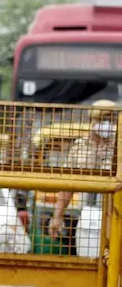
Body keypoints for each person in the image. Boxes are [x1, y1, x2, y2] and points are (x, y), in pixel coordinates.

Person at [49, 99, 118, 251]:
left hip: (116, 216)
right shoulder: (79, 147)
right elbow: (67, 184)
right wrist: (57, 216)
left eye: (112, 120)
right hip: (89, 214)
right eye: (104, 119)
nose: (109, 124)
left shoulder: (119, 147)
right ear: (92, 120)